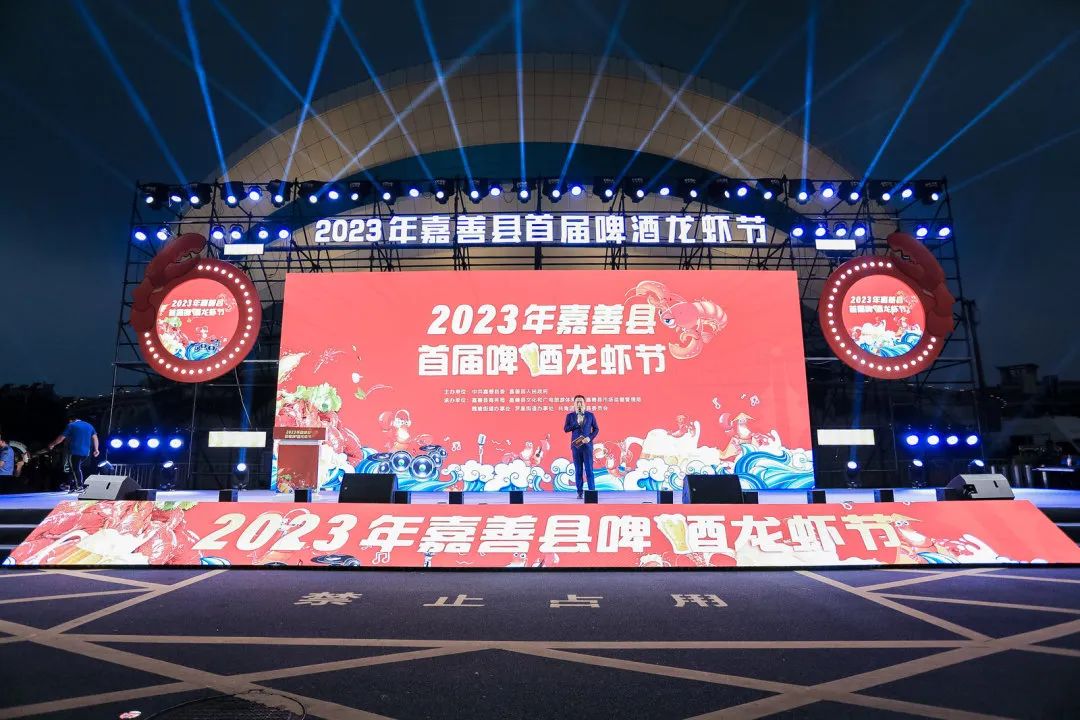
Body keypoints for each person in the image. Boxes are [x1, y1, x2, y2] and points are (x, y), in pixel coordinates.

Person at [47, 416, 99, 492]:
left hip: (75, 451)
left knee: (75, 468)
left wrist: (52, 444)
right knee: (74, 468)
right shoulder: (89, 425)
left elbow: (61, 437)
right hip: (86, 453)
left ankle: (79, 486)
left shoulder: (71, 425)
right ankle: (69, 484)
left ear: (71, 420)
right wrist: (96, 449)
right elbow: (95, 438)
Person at [563, 394, 599, 499]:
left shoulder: (590, 415)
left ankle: (592, 492)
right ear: (574, 404)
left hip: (587, 446)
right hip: (576, 447)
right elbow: (566, 429)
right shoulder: (570, 416)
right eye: (577, 402)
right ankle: (579, 492)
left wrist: (590, 438)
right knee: (578, 470)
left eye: (581, 402)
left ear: (584, 403)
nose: (579, 403)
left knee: (589, 470)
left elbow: (596, 429)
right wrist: (576, 423)